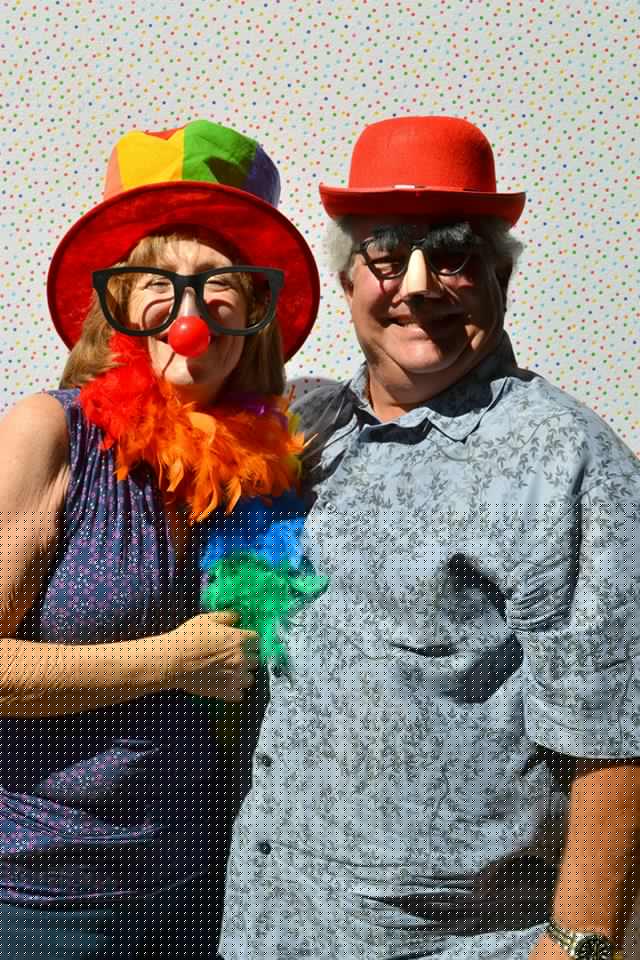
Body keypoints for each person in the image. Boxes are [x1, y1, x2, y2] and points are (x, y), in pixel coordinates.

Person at [220, 116, 640, 960]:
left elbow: (617, 738)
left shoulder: (564, 459)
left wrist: (579, 944)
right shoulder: (299, 430)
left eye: (451, 256)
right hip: (269, 927)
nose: (415, 288)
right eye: (385, 256)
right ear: (347, 280)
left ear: (499, 279)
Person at [0, 119, 319, 959]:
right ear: (117, 304)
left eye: (220, 285)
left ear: (254, 312)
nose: (189, 314)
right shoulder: (50, 434)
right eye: (160, 281)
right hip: (44, 900)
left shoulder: (265, 468)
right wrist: (169, 661)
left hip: (203, 893)